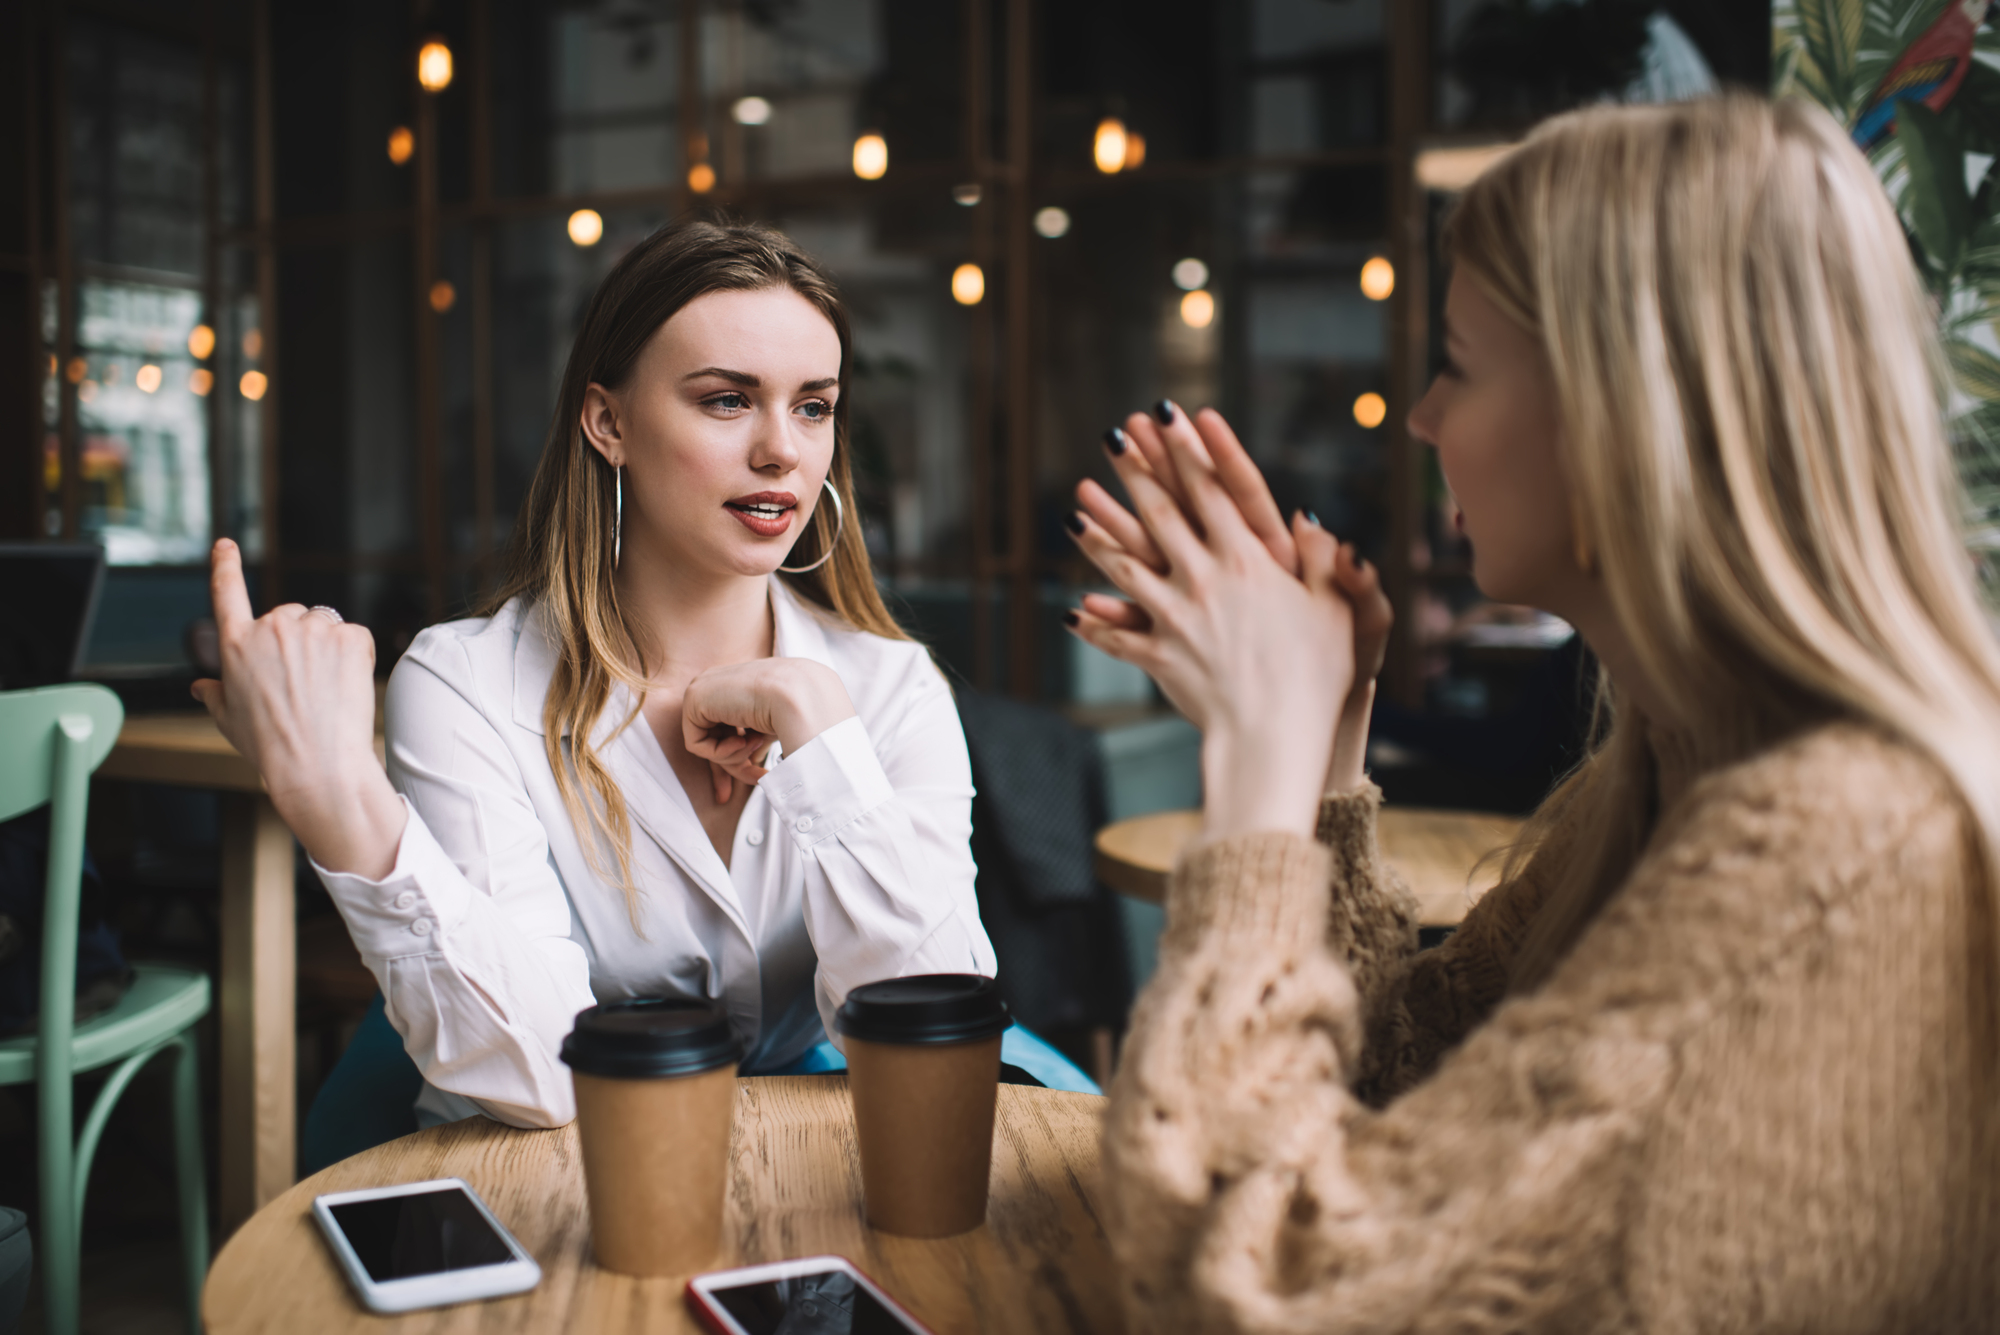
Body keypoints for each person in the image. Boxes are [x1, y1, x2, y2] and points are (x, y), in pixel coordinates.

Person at [1064, 94, 2000, 1331]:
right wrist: (1329, 739)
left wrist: (1258, 751)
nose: (1422, 418)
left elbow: (1247, 1286)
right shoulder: (1666, 771)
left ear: (1621, 420)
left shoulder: (1836, 844)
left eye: (1454, 360)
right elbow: (1408, 1086)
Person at [193, 220, 995, 1129]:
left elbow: (938, 1036)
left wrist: (822, 736)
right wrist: (335, 792)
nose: (784, 450)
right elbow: (544, 1074)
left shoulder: (888, 688)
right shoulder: (470, 682)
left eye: (813, 405)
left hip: (808, 1142)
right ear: (608, 421)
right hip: (554, 1162)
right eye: (728, 401)